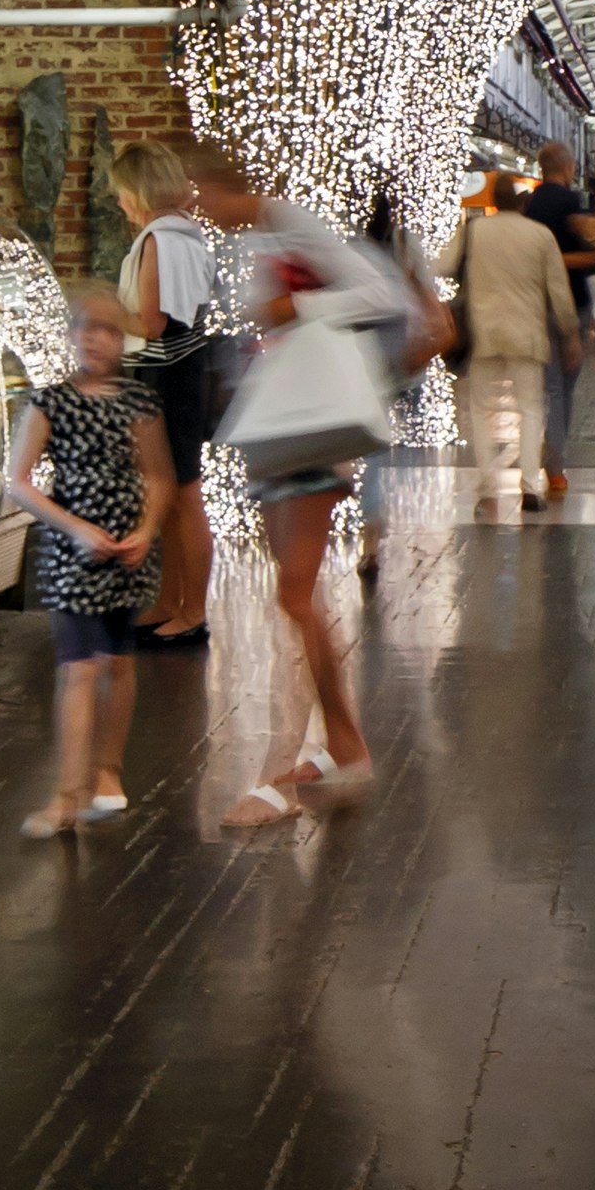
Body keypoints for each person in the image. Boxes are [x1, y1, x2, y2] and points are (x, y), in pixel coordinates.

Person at [189, 141, 399, 831]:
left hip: (309, 427)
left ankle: (282, 770)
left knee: (294, 598)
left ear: (222, 185)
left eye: (201, 193)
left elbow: (378, 293)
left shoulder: (290, 222)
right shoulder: (256, 236)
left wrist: (296, 309)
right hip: (284, 430)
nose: (200, 208)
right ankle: (342, 745)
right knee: (295, 597)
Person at [2, 278, 171, 837]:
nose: (95, 340)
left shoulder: (139, 401)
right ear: (72, 336)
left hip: (128, 552)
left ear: (121, 339)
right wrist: (74, 528)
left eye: (106, 330)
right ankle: (65, 795)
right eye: (85, 328)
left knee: (119, 662)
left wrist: (146, 529)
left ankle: (107, 772)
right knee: (78, 667)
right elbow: (20, 482)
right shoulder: (49, 401)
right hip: (73, 554)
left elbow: (158, 475)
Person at [112, 142, 230, 643]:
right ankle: (170, 601)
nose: (118, 203)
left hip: (167, 379)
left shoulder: (160, 239)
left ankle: (192, 612)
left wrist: (100, 311)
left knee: (181, 495)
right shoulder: (188, 232)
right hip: (185, 372)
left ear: (137, 190)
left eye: (120, 193)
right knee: (170, 494)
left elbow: (152, 323)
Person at [441, 169, 579, 513]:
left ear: (490, 200)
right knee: (531, 408)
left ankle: (488, 488)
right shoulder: (539, 234)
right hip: (527, 332)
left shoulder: (473, 231)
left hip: (483, 331)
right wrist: (570, 331)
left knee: (481, 409)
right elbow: (558, 289)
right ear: (522, 201)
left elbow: (442, 265)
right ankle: (531, 486)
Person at [515, 140, 595, 501]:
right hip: (570, 303)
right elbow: (574, 255)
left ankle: (547, 456)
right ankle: (555, 464)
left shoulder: (529, 206)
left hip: (532, 303)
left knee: (546, 386)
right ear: (568, 166)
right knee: (564, 385)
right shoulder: (570, 202)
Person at [354, 182, 444, 580]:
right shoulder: (407, 245)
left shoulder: (348, 248)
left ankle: (369, 539)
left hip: (359, 353)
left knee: (369, 452)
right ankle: (374, 530)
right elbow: (426, 294)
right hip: (399, 351)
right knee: (380, 450)